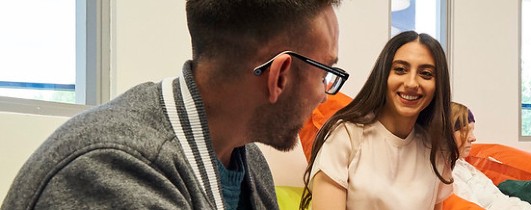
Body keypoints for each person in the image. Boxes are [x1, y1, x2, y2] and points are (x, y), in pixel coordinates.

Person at [2, 1, 346, 209]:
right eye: (325, 73)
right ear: (280, 76)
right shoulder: (113, 171)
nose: (324, 94)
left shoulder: (245, 160)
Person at [300, 31, 457, 210]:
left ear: (438, 85)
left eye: (426, 74)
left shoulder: (436, 149)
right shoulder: (346, 135)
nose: (412, 83)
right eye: (400, 70)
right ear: (383, 75)